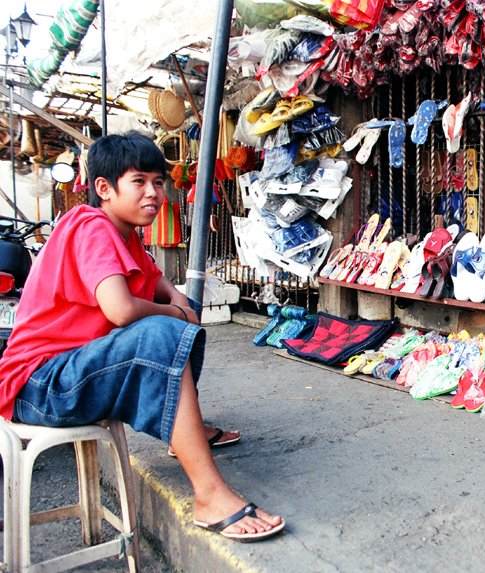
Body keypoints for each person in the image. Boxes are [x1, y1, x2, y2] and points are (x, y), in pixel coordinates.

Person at [0, 132, 283, 541]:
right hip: (38, 385)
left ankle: (185, 431)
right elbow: (121, 309)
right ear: (104, 188)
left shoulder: (128, 237)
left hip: (64, 374)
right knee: (161, 330)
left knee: (174, 326)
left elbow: (160, 285)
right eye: (139, 182)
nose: (153, 193)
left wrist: (176, 301)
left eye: (158, 182)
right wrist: (174, 310)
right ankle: (208, 495)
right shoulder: (91, 225)